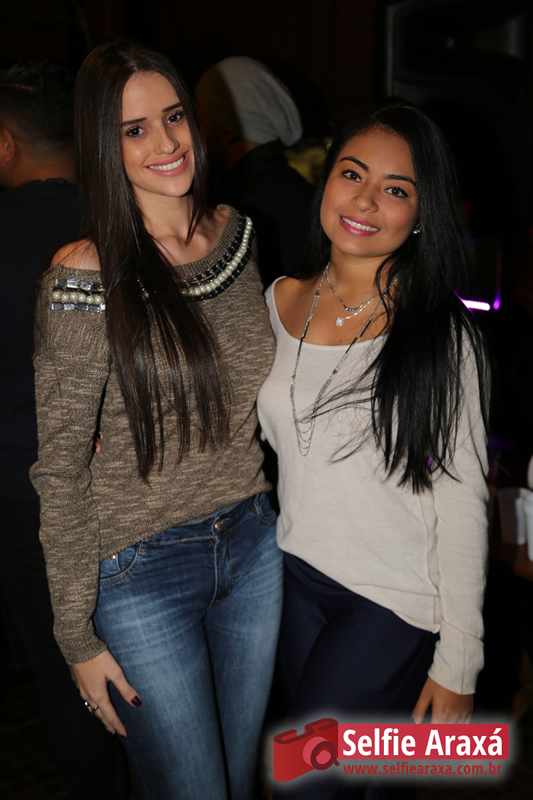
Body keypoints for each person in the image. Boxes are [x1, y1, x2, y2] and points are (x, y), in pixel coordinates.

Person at [30, 40, 283, 800]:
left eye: (173, 117)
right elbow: (60, 467)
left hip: (253, 544)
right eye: (134, 130)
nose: (166, 142)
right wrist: (75, 637)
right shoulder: (84, 274)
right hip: (141, 572)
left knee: (239, 783)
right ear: (102, 145)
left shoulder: (238, 236)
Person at [257, 100, 491, 799]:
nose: (364, 201)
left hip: (390, 602)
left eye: (395, 189)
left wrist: (460, 660)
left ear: (420, 215)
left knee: (305, 777)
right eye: (352, 174)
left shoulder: (442, 336)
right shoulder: (275, 301)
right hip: (295, 579)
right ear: (325, 180)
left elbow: (463, 499)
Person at [0, 61, 129, 799]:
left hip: (25, 498)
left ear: (6, 142)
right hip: (133, 490)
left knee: (67, 680)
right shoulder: (128, 220)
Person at [195, 56, 314, 285]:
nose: (193, 136)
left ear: (227, 128)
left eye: (200, 123)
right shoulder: (305, 191)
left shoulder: (234, 207)